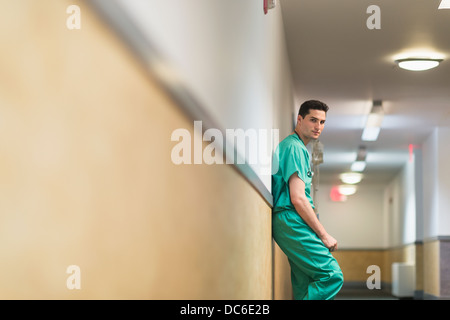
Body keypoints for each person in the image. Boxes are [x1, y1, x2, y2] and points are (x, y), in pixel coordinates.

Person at [272, 100, 344, 300]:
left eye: (322, 122)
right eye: (313, 120)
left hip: (290, 221)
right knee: (332, 275)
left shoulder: (295, 147)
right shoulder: (294, 148)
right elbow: (298, 198)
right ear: (300, 119)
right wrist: (324, 234)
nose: (318, 127)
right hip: (291, 220)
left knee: (304, 282)